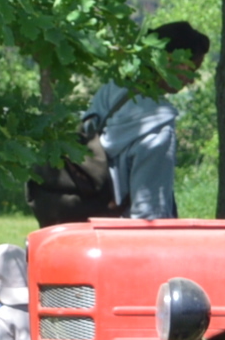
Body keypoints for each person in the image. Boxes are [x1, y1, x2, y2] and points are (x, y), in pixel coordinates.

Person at [81, 19, 210, 221]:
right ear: (170, 61)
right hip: (125, 238)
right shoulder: (158, 128)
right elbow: (150, 214)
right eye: (191, 69)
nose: (191, 79)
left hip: (88, 222)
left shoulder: (111, 90)